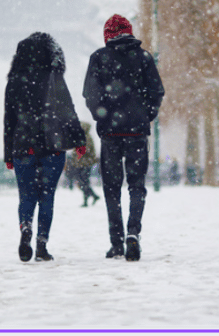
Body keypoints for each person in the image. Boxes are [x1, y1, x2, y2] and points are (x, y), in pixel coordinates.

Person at [83, 14, 164, 261]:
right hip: (137, 131)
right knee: (137, 185)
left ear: (107, 35)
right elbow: (156, 92)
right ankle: (133, 232)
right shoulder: (144, 58)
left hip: (111, 133)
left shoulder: (98, 58)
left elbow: (90, 94)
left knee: (111, 188)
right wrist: (144, 116)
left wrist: (103, 117)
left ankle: (116, 241)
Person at [4, 32, 86, 262]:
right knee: (47, 196)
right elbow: (68, 111)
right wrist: (79, 140)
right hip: (52, 145)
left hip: (23, 147)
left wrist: (8, 152)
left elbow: (9, 120)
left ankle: (26, 227)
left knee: (26, 196)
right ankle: (41, 244)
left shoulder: (14, 81)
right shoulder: (54, 77)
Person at [71, 122, 100, 207]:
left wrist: (76, 153)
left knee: (83, 182)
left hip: (85, 164)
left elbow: (85, 150)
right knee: (83, 182)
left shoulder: (86, 137)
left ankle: (89, 199)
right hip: (82, 163)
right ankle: (92, 197)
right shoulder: (82, 137)